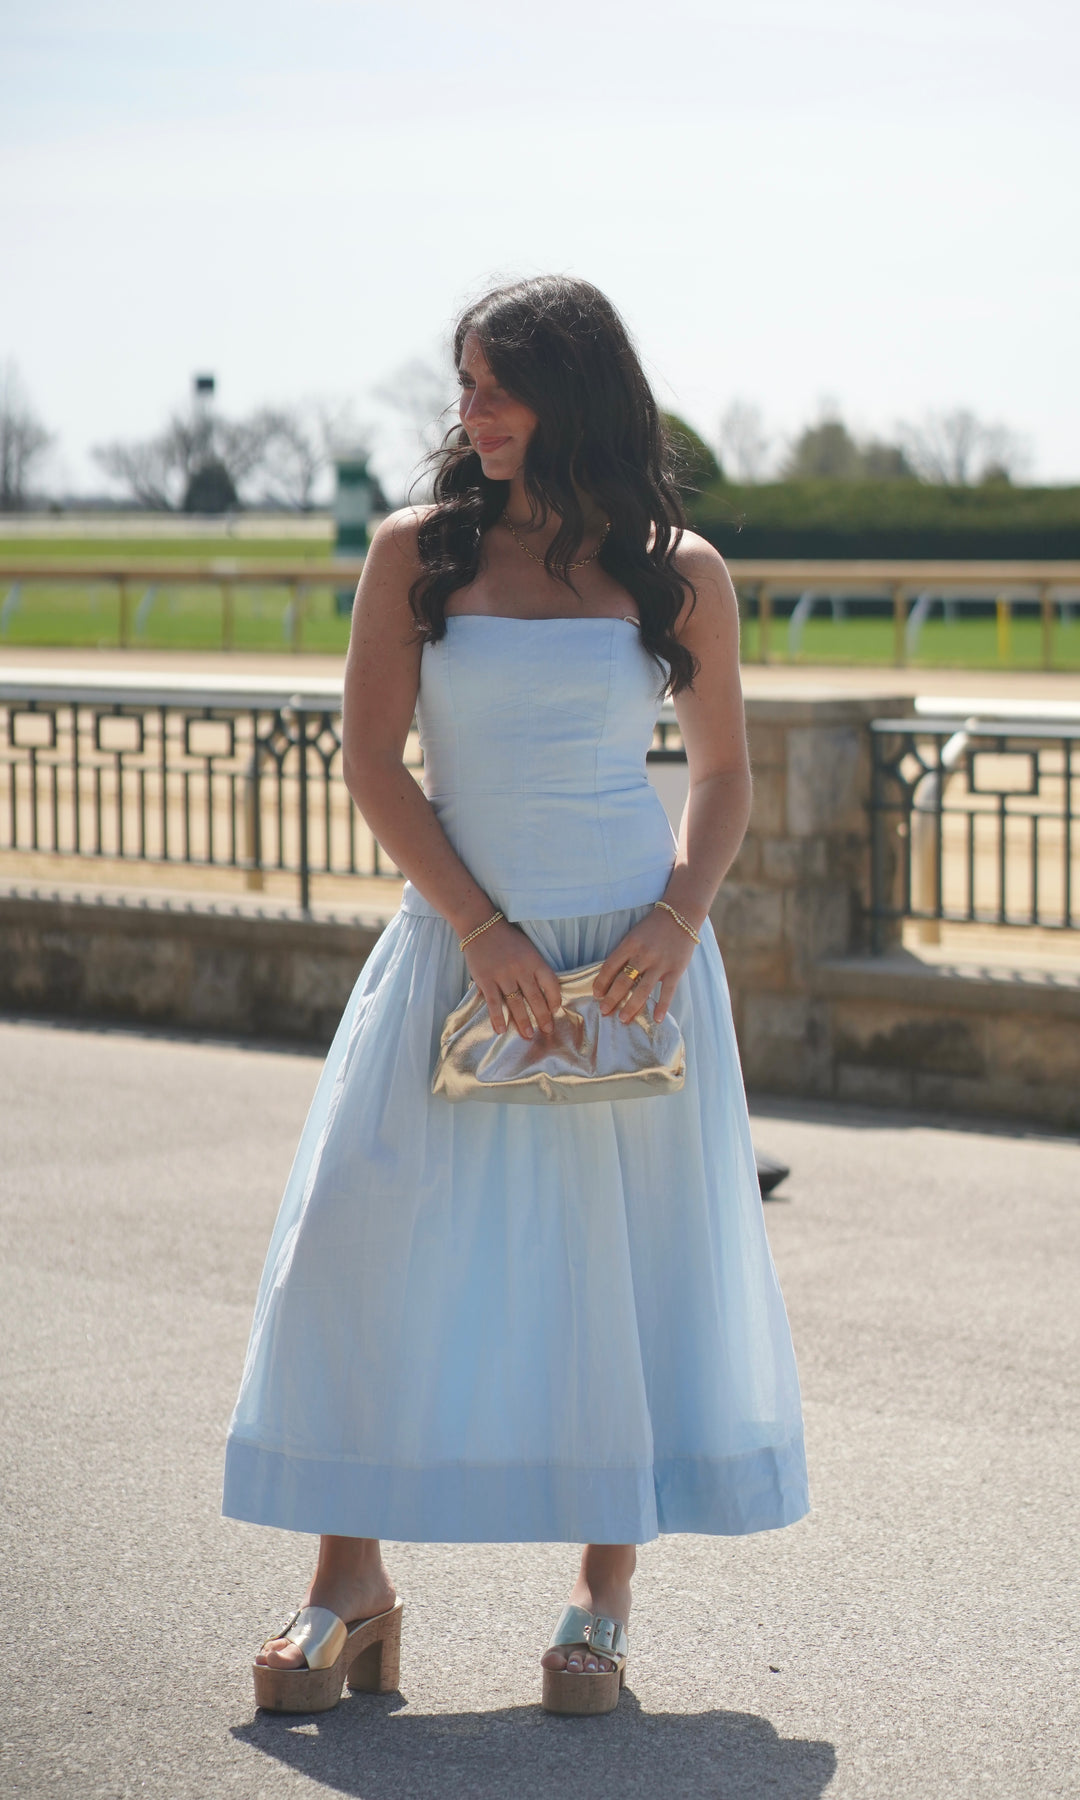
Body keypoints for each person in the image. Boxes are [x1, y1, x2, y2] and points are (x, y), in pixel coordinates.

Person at [222, 274, 809, 1718]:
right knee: (360, 1242)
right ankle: (349, 1586)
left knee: (622, 1267)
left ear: (572, 392)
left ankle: (601, 1602)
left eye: (496, 385)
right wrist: (478, 926)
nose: (469, 411)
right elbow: (373, 763)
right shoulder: (416, 551)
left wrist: (678, 917)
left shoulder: (680, 570)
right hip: (456, 946)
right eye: (466, 385)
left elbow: (725, 773)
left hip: (629, 960)